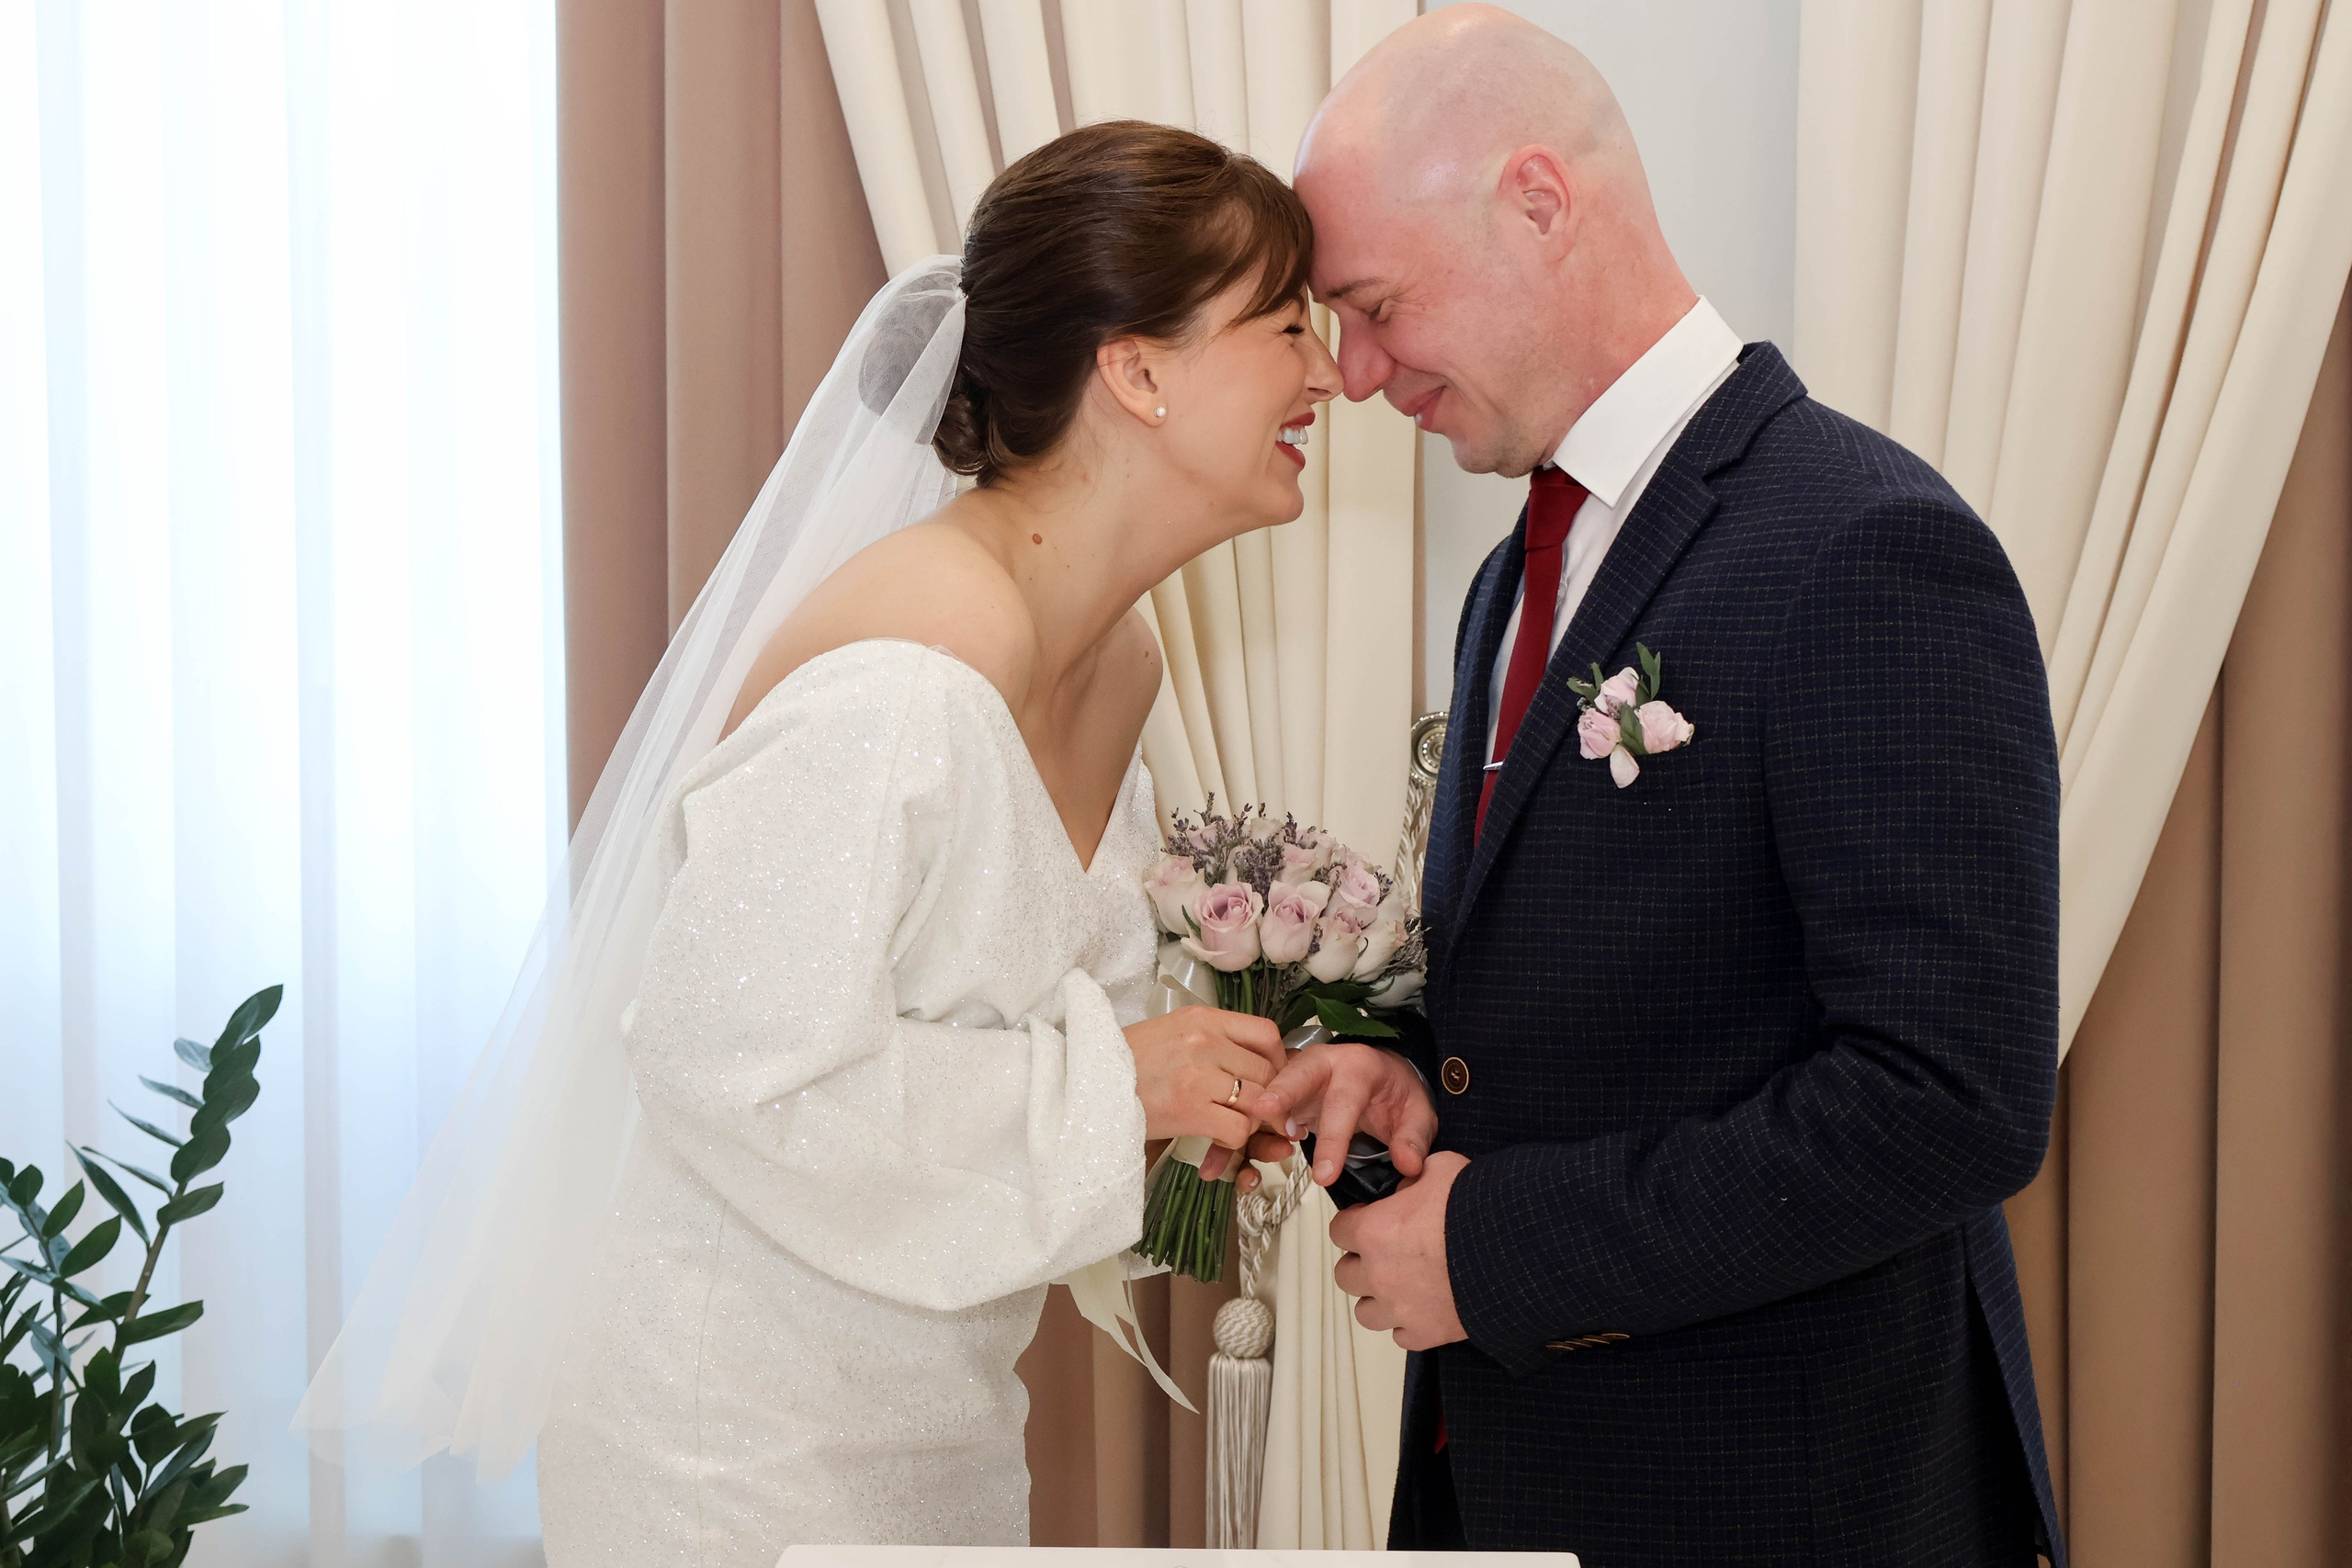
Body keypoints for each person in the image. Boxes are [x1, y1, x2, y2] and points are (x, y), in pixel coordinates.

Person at [295, 121, 1338, 1563]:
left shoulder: (1121, 666)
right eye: (1289, 324)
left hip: (938, 1422)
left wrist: (1183, 1106)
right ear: (1139, 371)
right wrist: (1118, 1085)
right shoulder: (908, 679)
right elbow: (732, 1063)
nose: (1330, 370)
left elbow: (1007, 1045)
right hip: (728, 1445)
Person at [1250, 9, 2066, 1565]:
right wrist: (1414, 1069)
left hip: (1781, 1494)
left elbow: (1948, 1098)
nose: (1353, 374)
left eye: (1373, 304)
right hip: (1529, 1481)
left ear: (1540, 202)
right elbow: (1632, 982)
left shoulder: (1868, 546)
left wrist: (1495, 1249)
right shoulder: (1513, 573)